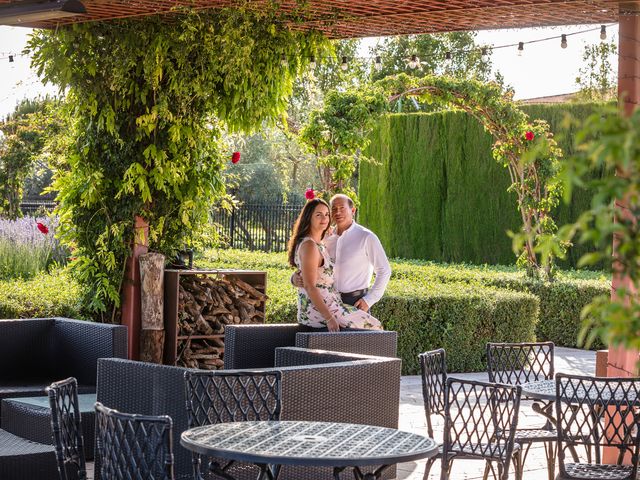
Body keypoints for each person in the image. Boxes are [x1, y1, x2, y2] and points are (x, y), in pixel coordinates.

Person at [287, 198, 382, 332]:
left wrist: (369, 300)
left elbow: (384, 270)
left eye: (326, 214)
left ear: (352, 210)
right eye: (318, 214)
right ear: (308, 218)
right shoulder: (312, 244)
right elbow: (309, 283)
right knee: (374, 327)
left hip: (351, 300)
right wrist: (329, 318)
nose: (325, 218)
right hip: (325, 308)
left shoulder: (364, 236)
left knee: (371, 328)